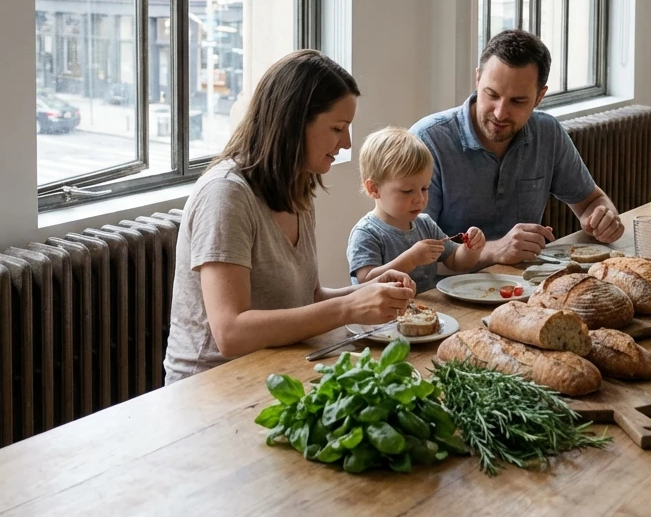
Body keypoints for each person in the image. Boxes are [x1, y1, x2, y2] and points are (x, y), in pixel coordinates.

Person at [164, 50, 416, 383]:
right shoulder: (226, 195)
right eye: (338, 128)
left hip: (279, 368)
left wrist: (366, 291)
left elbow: (307, 300)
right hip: (213, 385)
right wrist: (349, 308)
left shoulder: (298, 186)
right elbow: (231, 333)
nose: (347, 142)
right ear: (293, 124)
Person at [410, 29, 623, 266]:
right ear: (478, 79)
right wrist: (494, 251)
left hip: (522, 286)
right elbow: (412, 246)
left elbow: (591, 200)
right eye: (492, 94)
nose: (500, 113)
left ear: (540, 97)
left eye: (517, 101)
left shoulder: (547, 132)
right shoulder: (427, 140)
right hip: (442, 294)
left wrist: (603, 218)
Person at [347, 126, 485, 293]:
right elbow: (366, 280)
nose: (420, 198)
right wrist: (411, 259)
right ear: (374, 189)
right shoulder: (367, 233)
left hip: (428, 313)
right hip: (383, 317)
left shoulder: (425, 224)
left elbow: (456, 262)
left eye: (425, 188)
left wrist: (471, 249)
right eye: (407, 191)